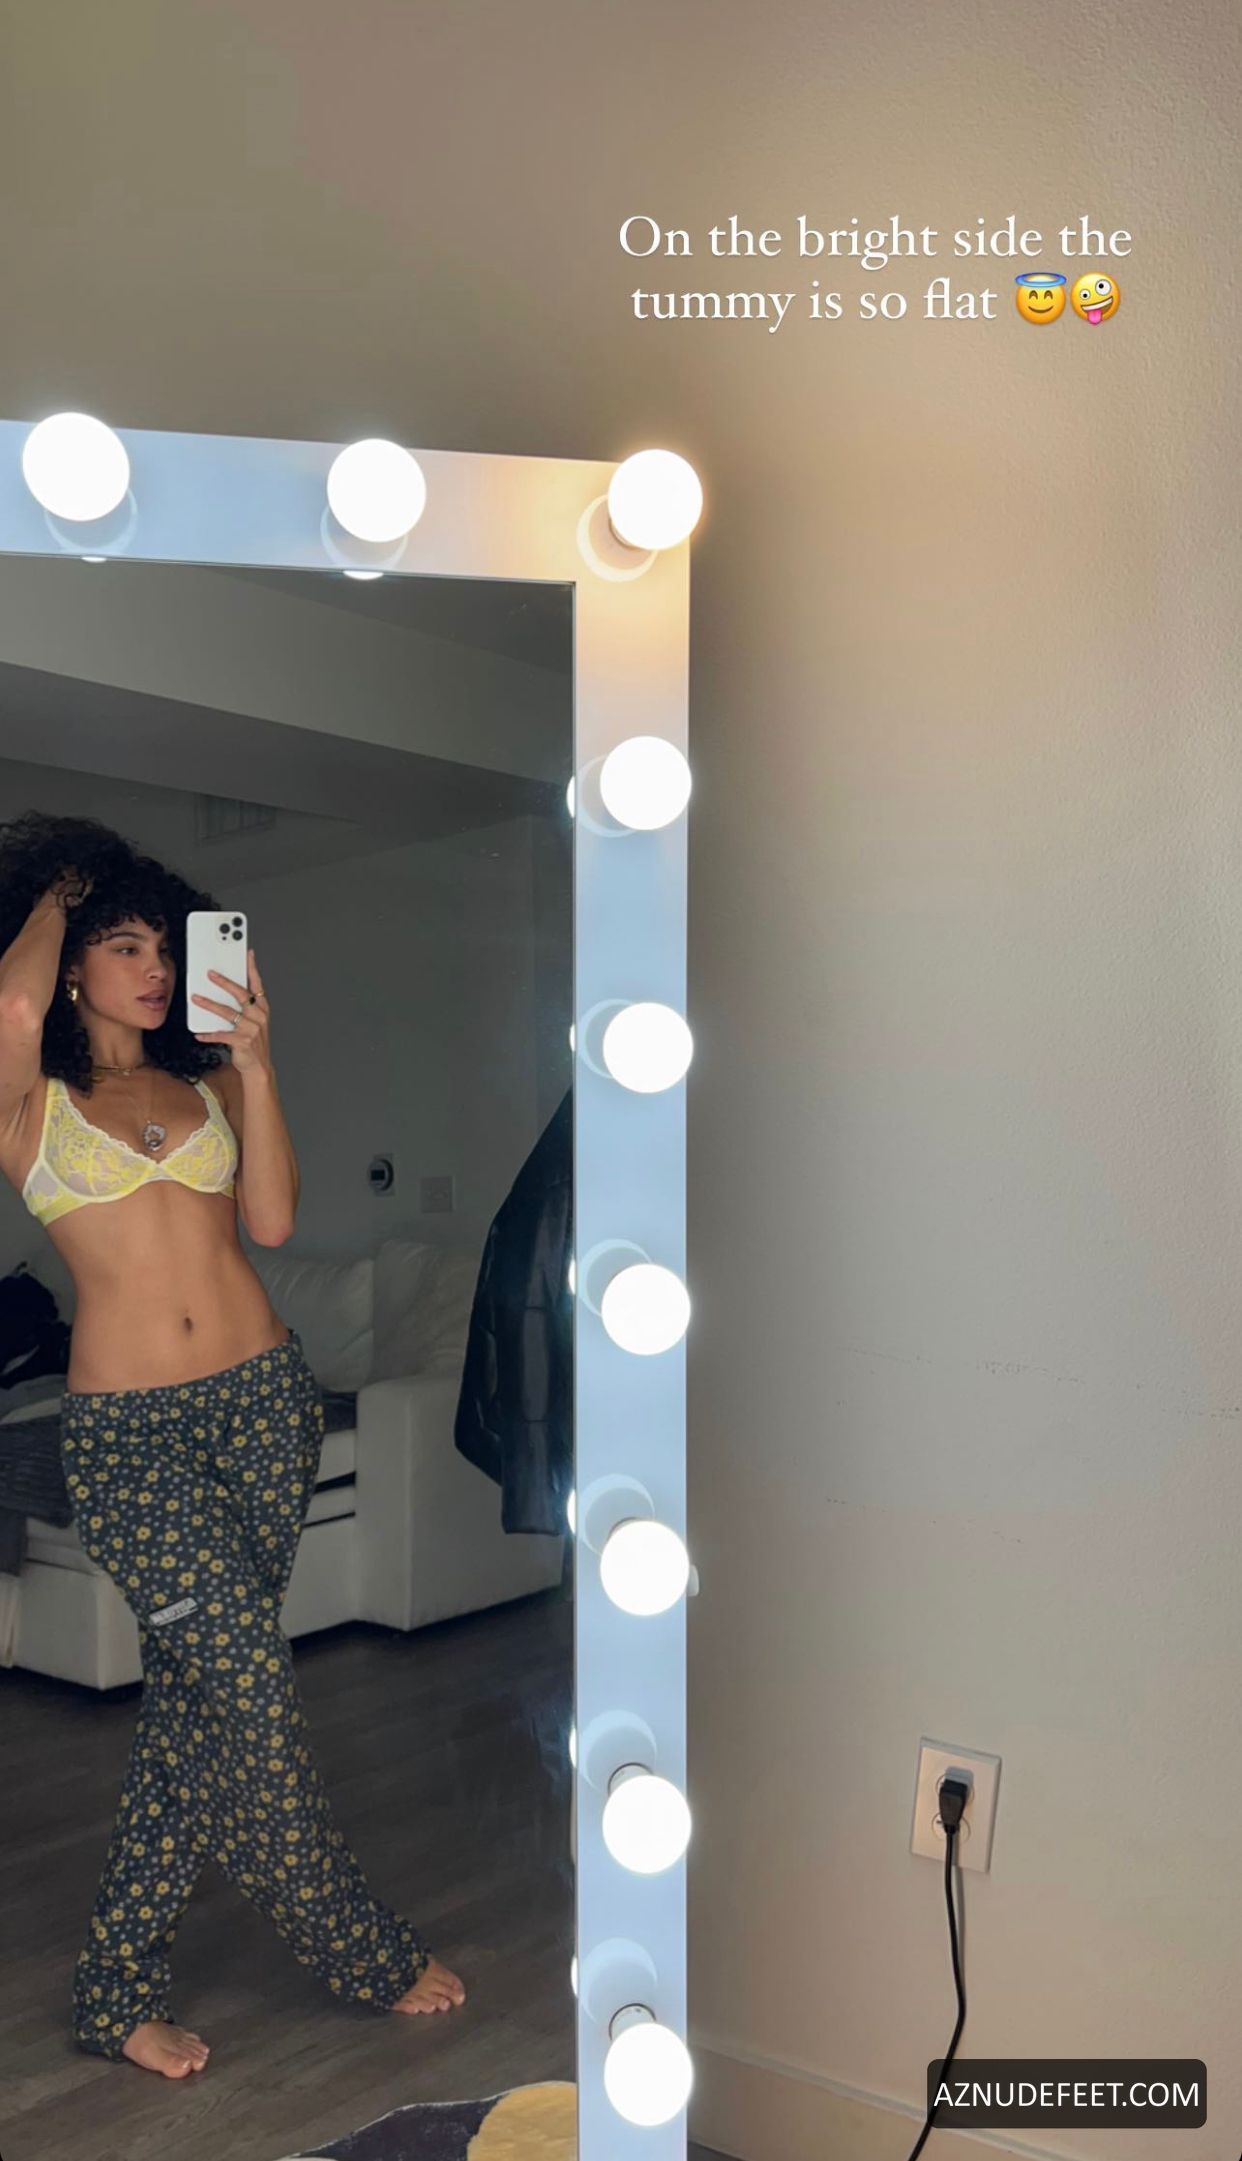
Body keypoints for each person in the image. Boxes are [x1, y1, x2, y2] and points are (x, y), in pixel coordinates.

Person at [0, 811, 465, 2079]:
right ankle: (352, 1940)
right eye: (125, 945)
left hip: (264, 1408)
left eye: (166, 945)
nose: (156, 967)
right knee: (250, 1692)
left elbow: (270, 1218)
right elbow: (13, 1003)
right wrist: (62, 884)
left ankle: (116, 1991)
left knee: (194, 1717)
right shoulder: (30, 1104)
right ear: (74, 963)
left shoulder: (204, 1085)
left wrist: (257, 1063)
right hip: (132, 1441)